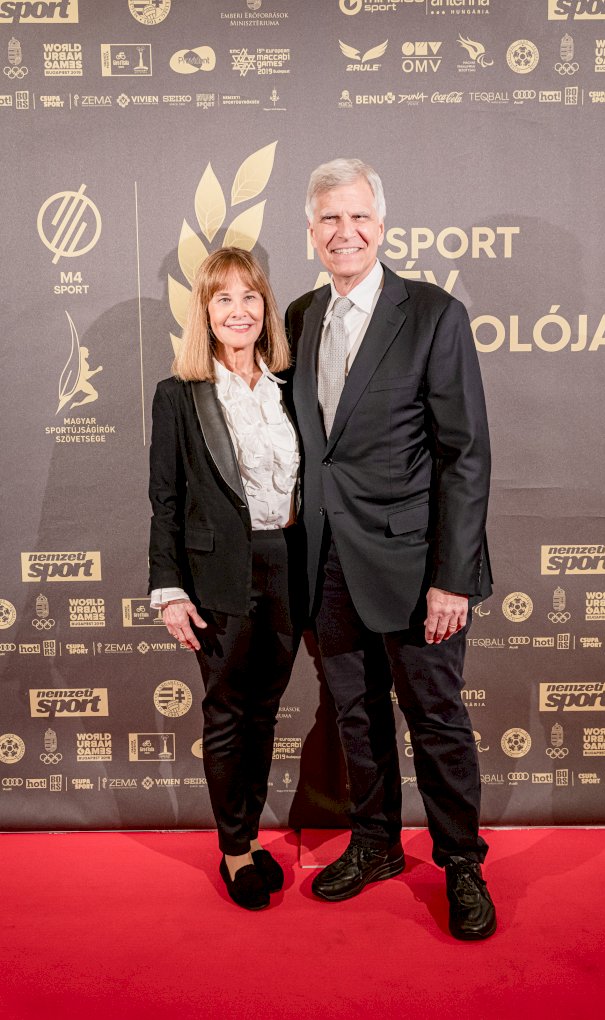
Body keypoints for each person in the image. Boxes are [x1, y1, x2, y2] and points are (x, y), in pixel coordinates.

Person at [286, 159, 496, 940]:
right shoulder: (301, 315)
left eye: (358, 217)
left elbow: (463, 455)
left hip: (416, 566)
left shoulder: (434, 314)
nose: (345, 232)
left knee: (435, 718)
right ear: (311, 231)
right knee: (356, 714)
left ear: (382, 224)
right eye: (329, 219)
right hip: (326, 562)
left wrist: (453, 578)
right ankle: (374, 843)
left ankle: (462, 863)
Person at [148, 247, 302, 911]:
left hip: (288, 563)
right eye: (223, 299)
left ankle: (251, 835)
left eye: (250, 296)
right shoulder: (180, 395)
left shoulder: (291, 387)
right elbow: (165, 500)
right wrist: (168, 587)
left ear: (265, 307)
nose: (239, 311)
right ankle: (235, 849)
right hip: (217, 574)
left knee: (265, 710)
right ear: (204, 313)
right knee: (227, 711)